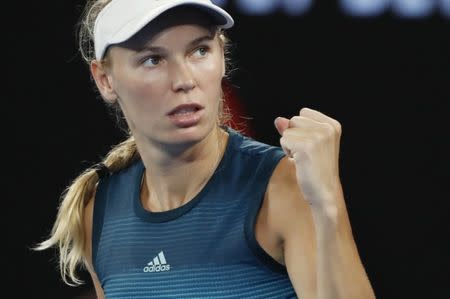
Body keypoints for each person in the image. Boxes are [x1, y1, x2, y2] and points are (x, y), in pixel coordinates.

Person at [35, 0, 376, 298]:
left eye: (200, 50)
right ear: (104, 79)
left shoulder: (283, 187)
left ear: (222, 57)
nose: (184, 79)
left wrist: (327, 205)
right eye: (153, 59)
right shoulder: (99, 211)